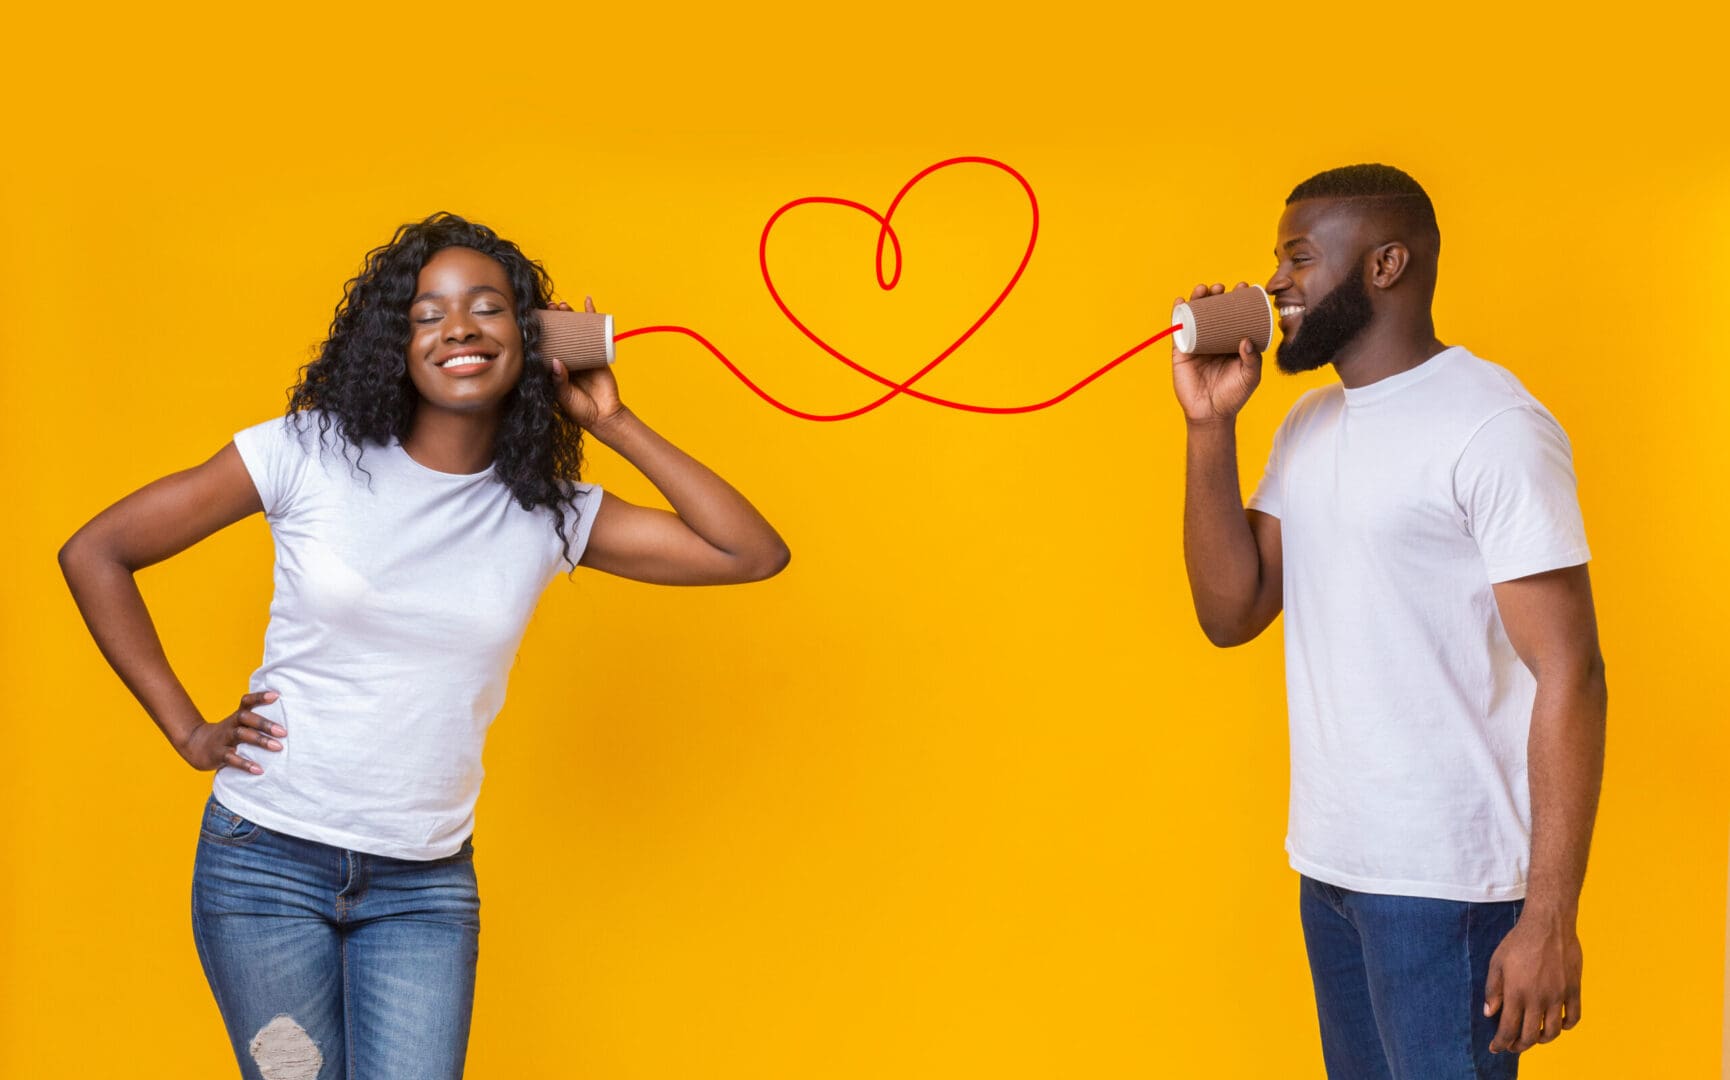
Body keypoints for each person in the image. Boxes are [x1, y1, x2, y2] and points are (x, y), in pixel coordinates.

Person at [58, 212, 790, 1079]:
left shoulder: (547, 511)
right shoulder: (306, 454)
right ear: (394, 342)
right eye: (428, 313)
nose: (460, 330)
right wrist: (187, 730)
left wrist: (614, 421)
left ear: (531, 337)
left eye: (487, 308)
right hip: (265, 867)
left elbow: (751, 552)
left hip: (425, 886)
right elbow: (95, 551)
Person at [1170, 164, 1606, 1078]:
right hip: (1332, 869)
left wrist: (1550, 917)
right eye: (1274, 261)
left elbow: (1572, 672)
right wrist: (1210, 427)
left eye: (1297, 258)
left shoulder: (1492, 426)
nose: (1274, 286)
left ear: (1386, 264)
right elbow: (1231, 610)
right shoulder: (1309, 423)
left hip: (1446, 888)